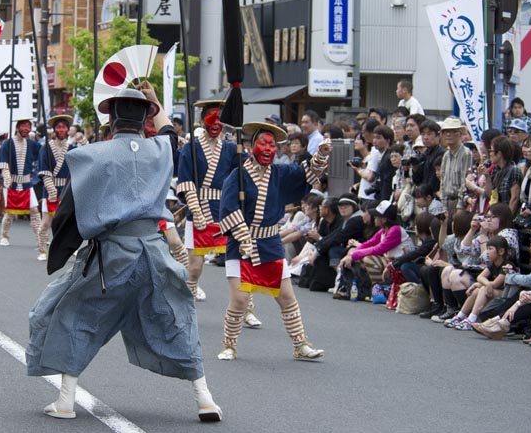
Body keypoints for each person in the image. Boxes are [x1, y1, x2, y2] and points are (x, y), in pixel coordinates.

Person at [26, 85, 222, 423]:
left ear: (111, 118)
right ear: (144, 117)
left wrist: (63, 248)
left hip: (112, 255)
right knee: (175, 316)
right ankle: (205, 398)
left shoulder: (93, 155)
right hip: (156, 254)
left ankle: (66, 401)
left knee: (72, 314)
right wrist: (154, 99)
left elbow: (68, 214)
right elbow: (168, 132)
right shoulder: (162, 150)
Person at [216, 121, 330, 361]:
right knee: (239, 298)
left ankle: (300, 344)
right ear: (252, 145)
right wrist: (243, 237)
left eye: (271, 144)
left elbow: (309, 175)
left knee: (287, 297)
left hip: (270, 242)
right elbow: (228, 208)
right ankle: (229, 344)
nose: (268, 148)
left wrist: (320, 155)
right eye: (262, 143)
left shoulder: (280, 172)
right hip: (241, 242)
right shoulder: (237, 175)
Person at [177, 100, 237, 303]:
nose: (215, 123)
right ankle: (187, 297)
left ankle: (246, 308)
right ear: (202, 121)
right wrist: (196, 210)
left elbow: (243, 176)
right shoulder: (190, 148)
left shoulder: (230, 149)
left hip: (224, 212)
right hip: (199, 208)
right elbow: (186, 183)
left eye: (220, 119)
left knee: (236, 264)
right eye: (211, 117)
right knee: (195, 267)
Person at [446, 236, 514, 331]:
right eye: (487, 249)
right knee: (477, 290)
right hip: (493, 290)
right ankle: (460, 316)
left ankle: (472, 319)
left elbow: (495, 284)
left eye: (490, 249)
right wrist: (483, 284)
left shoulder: (506, 265)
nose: (487, 252)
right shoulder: (492, 264)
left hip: (505, 295)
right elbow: (480, 277)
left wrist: (479, 284)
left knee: (482, 288)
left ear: (501, 251)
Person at [339, 200, 413, 284]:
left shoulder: (395, 230)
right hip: (391, 261)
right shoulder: (384, 229)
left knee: (369, 259)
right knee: (357, 256)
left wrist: (354, 255)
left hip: (399, 263)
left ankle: (379, 287)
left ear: (384, 219)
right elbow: (369, 243)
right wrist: (351, 254)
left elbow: (378, 249)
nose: (374, 218)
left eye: (377, 216)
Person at [38, 115, 81, 261]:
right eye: (59, 127)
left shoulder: (73, 148)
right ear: (54, 130)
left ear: (68, 130)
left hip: (67, 189)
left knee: (69, 223)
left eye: (64, 127)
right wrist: (51, 189)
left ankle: (70, 249)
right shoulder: (45, 148)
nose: (61, 130)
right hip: (50, 188)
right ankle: (42, 250)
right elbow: (43, 170)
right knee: (45, 223)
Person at [0, 118, 43, 252]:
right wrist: (6, 176)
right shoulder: (8, 143)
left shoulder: (31, 143)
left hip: (26, 182)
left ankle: (40, 238)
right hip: (12, 181)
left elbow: (42, 153)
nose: (26, 129)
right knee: (9, 212)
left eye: (28, 127)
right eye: (24, 126)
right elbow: (3, 162)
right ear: (17, 127)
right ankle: (4, 236)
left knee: (35, 211)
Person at [438, 117, 473, 214]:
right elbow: (443, 182)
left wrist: (460, 207)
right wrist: (444, 206)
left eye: (453, 131)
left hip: (460, 202)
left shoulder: (466, 154)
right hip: (447, 202)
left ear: (460, 133)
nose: (448, 134)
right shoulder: (446, 155)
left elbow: (464, 182)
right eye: (446, 132)